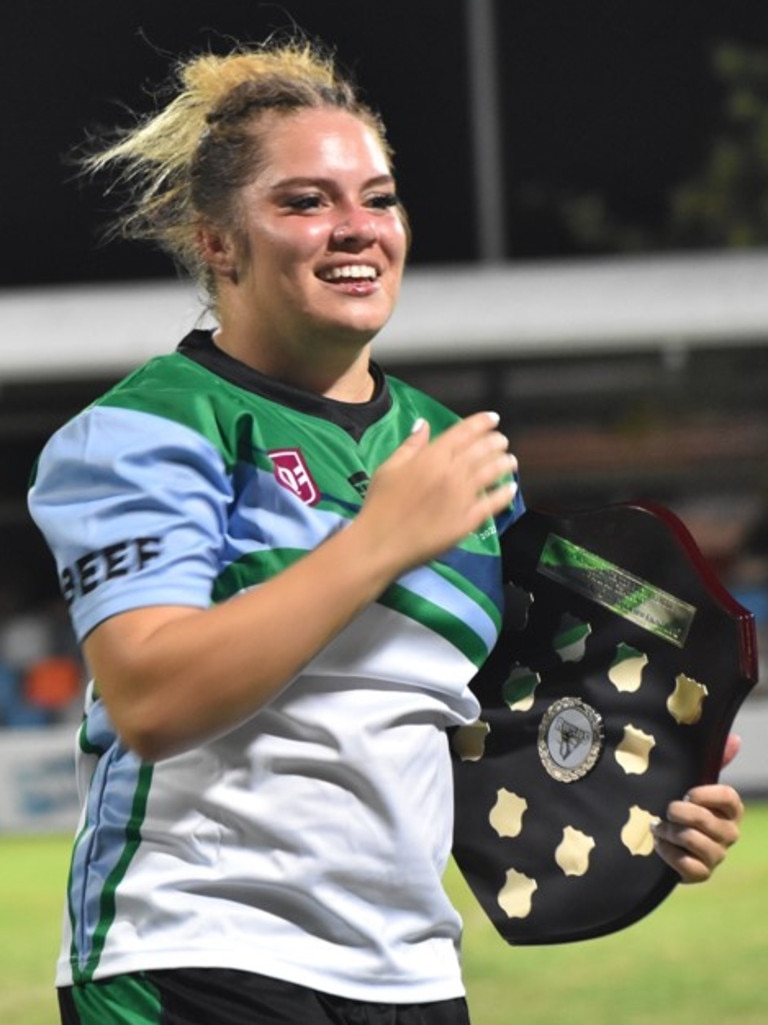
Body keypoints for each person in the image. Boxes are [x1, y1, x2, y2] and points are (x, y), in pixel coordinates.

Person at [28, 38, 744, 1025]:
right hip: (194, 954)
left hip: (410, 976)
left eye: (380, 197)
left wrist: (644, 803)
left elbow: (488, 744)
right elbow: (151, 696)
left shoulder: (456, 455)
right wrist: (377, 540)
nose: (356, 228)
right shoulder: (148, 426)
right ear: (219, 243)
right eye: (305, 201)